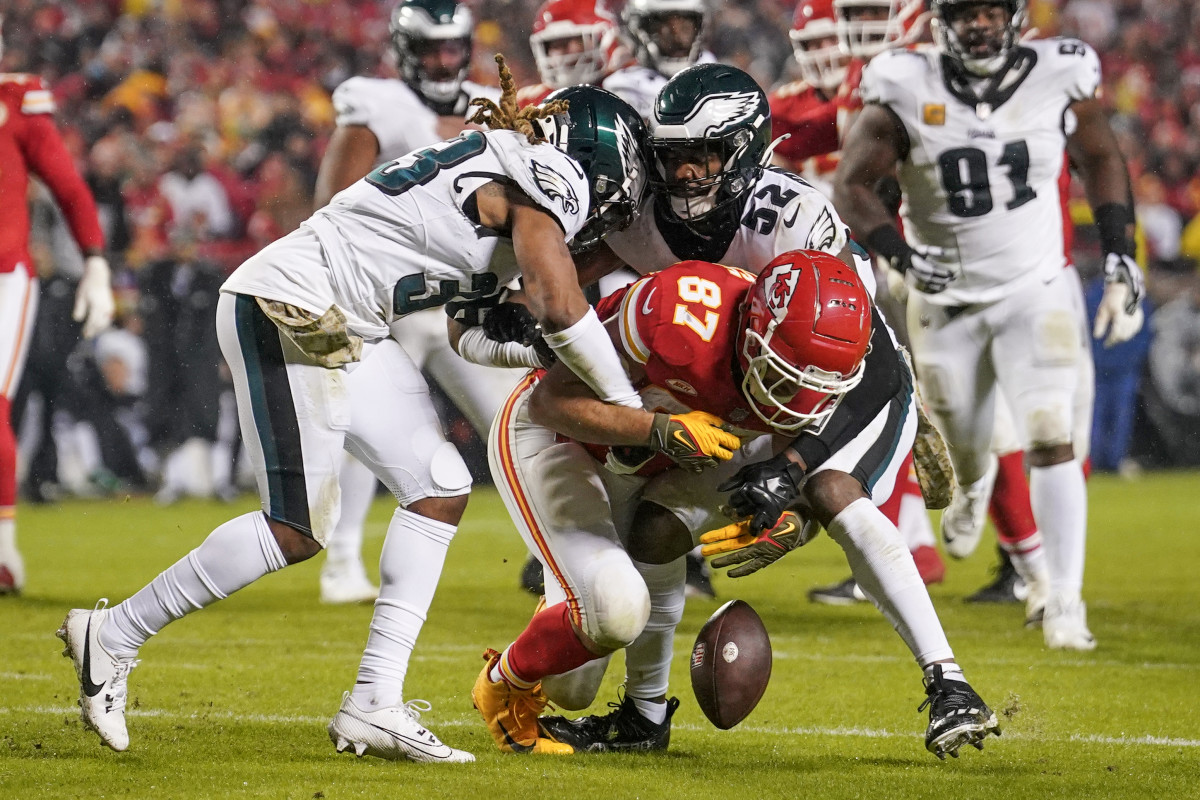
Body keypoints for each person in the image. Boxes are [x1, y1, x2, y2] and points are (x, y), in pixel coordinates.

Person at [57, 65, 650, 762]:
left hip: (345, 321)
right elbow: (557, 302)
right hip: (293, 306)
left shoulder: (500, 166)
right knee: (297, 526)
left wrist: (540, 355)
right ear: (598, 158)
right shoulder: (550, 173)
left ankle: (375, 702)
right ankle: (115, 633)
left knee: (438, 486)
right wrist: (629, 410)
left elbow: (471, 335)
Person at [489, 63, 997, 758]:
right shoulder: (639, 213)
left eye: (707, 154)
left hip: (844, 382)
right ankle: (642, 717)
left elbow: (871, 360)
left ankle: (948, 683)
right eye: (674, 156)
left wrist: (791, 471)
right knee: (656, 533)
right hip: (738, 387)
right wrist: (514, 306)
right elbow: (552, 278)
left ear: (747, 151)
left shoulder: (794, 220)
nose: (689, 173)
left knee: (829, 490)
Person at [833, 0, 1144, 651]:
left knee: (1052, 432)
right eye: (966, 12)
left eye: (991, 10)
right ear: (944, 20)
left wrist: (1119, 252)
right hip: (947, 300)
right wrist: (904, 260)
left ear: (1012, 17)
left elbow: (1102, 157)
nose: (979, 24)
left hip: (1038, 289)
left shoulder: (1061, 70)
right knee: (965, 451)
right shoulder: (903, 80)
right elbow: (854, 184)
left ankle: (1063, 600)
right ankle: (973, 486)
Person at [312, 0, 518, 604]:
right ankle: (342, 560)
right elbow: (334, 201)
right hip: (390, 300)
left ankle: (550, 551)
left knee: (513, 422)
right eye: (432, 51)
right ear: (406, 53)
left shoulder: (495, 103)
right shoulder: (376, 102)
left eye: (453, 49)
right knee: (364, 426)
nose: (445, 61)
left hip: (462, 300)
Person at [0, 52, 114, 596]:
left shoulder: (16, 102)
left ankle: (1, 554)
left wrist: (94, 261)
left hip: (4, 276)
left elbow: (68, 187)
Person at [601, 0, 714, 121]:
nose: (677, 39)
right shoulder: (623, 86)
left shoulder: (714, 76)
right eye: (666, 28)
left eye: (685, 28)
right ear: (642, 30)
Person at [517, 0, 627, 108]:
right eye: (555, 45)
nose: (564, 54)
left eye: (579, 40)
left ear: (603, 40)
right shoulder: (530, 102)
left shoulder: (625, 88)